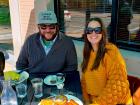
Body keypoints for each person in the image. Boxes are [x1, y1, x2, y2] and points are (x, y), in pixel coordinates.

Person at [81, 17, 132, 105]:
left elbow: (117, 86)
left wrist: (96, 103)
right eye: (89, 30)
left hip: (117, 102)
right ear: (86, 33)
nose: (93, 33)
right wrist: (86, 100)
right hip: (96, 101)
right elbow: (84, 81)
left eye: (97, 30)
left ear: (102, 33)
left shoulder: (111, 52)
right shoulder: (87, 52)